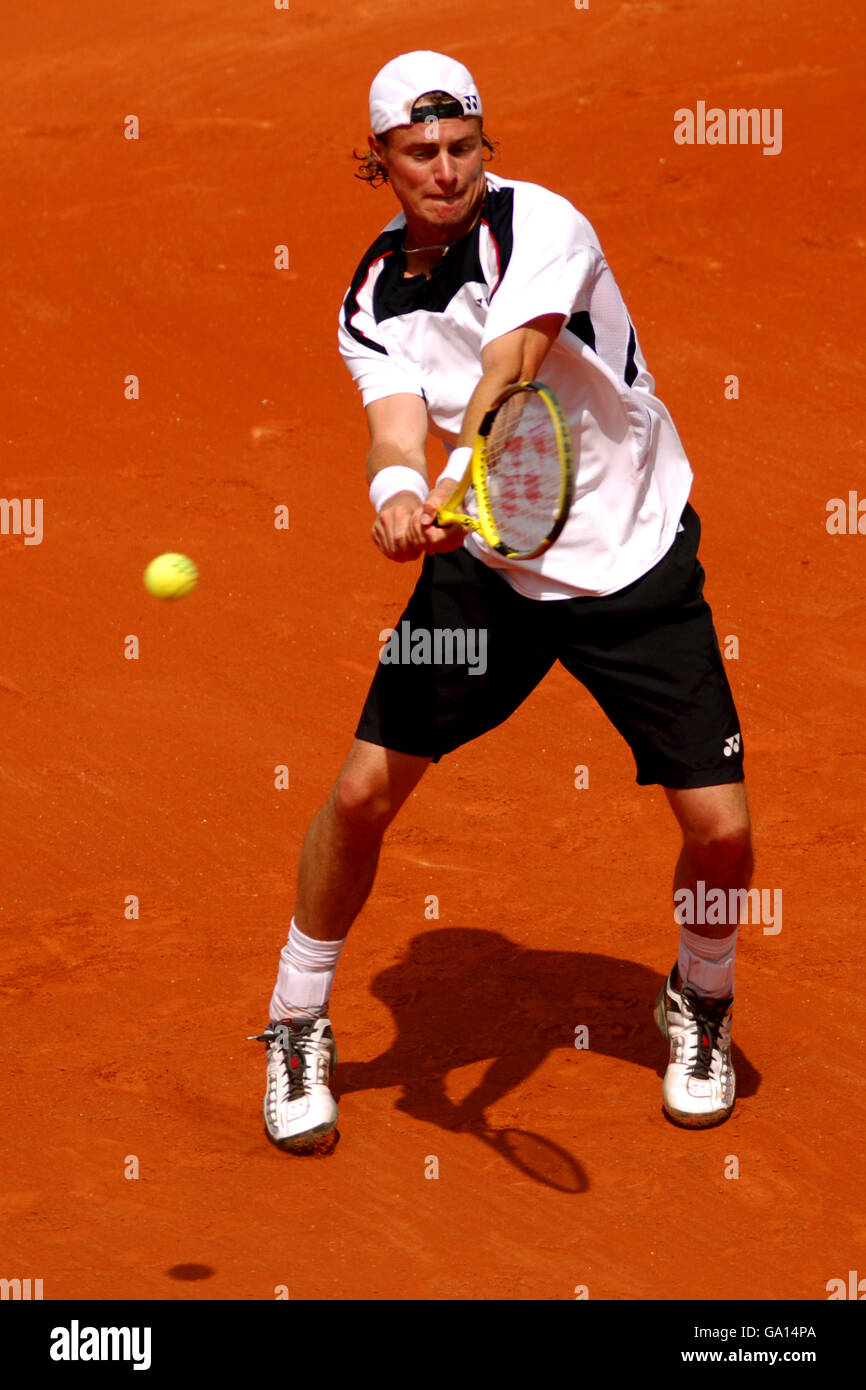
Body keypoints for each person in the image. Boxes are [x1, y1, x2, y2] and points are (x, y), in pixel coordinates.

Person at [249, 50, 753, 1148]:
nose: (444, 169)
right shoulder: (370, 296)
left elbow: (509, 372)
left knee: (720, 834)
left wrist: (444, 482)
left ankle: (700, 996)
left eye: (461, 147)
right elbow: (390, 422)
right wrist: (392, 495)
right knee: (362, 793)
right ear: (376, 158)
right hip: (489, 575)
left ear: (485, 144)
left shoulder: (543, 226)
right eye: (419, 152)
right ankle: (296, 1023)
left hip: (630, 561)